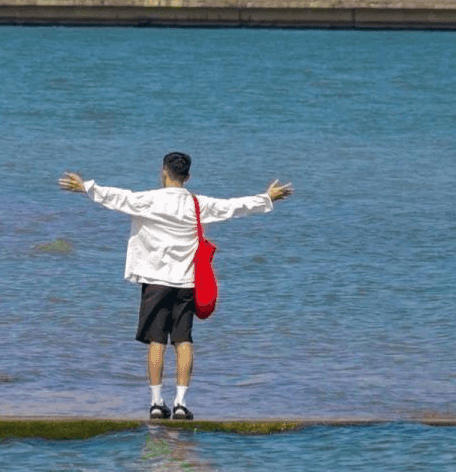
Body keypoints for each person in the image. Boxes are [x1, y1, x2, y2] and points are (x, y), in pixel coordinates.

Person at [57, 152, 292, 420]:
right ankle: (180, 404)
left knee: (156, 341)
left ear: (163, 172)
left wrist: (85, 186)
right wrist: (266, 198)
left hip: (155, 281)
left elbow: (115, 197)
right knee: (183, 341)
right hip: (186, 282)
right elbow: (232, 207)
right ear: (187, 177)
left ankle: (157, 403)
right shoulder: (196, 204)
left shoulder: (148, 200)